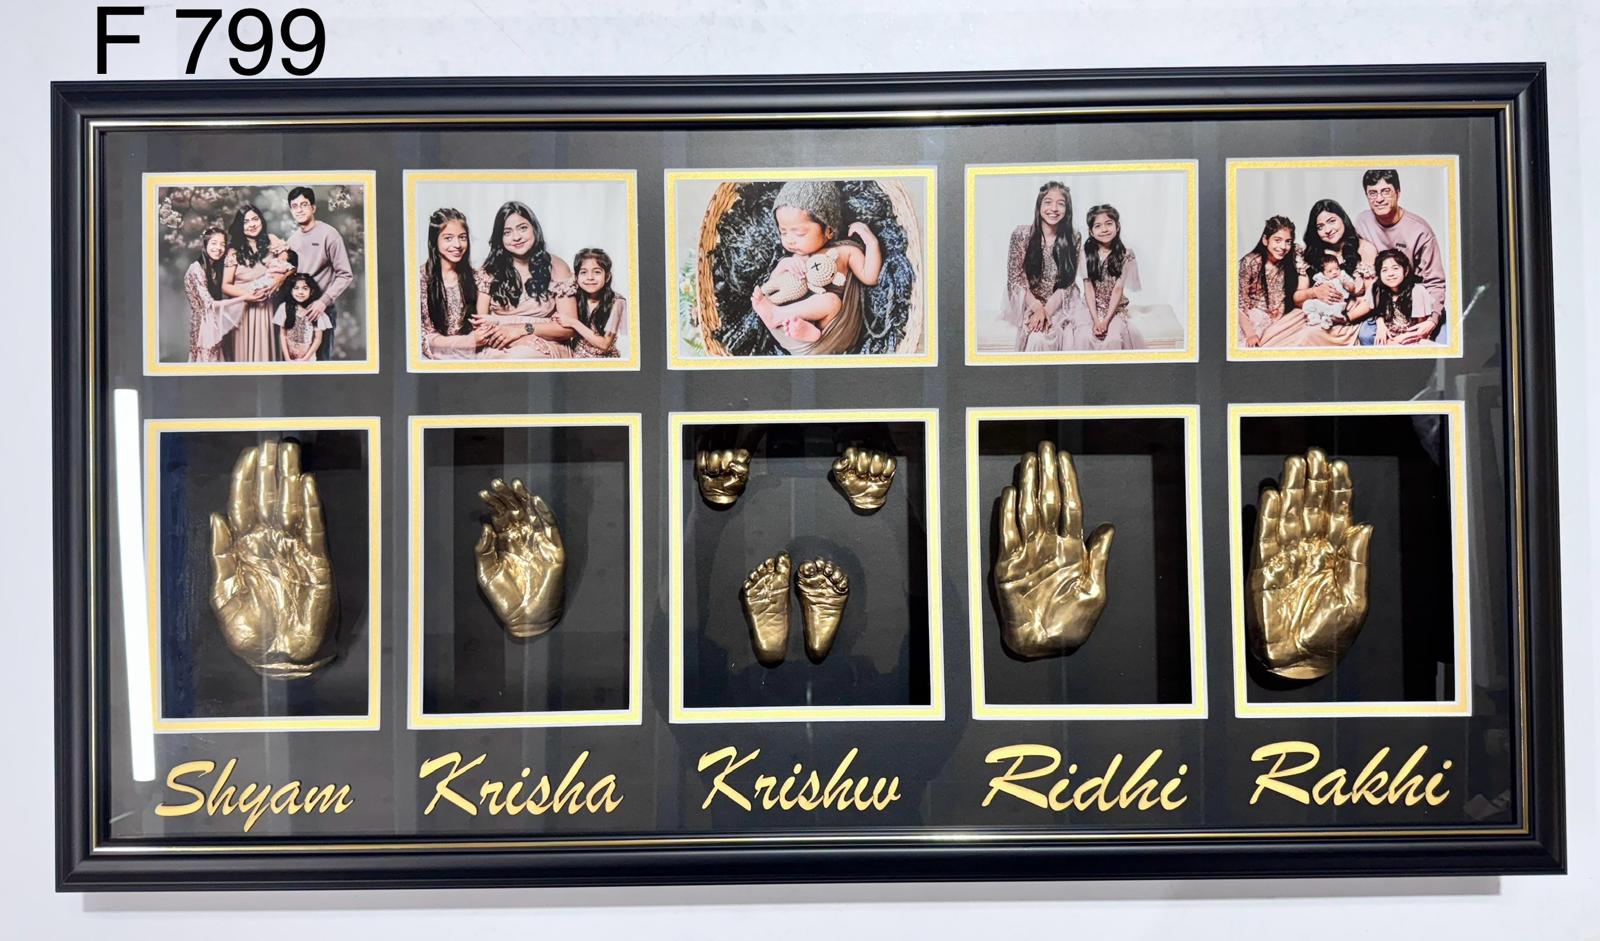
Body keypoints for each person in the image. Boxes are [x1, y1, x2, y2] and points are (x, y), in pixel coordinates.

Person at [747, 179, 881, 355]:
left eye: (799, 233)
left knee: (830, 301)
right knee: (775, 297)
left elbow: (870, 277)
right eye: (783, 232)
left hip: (830, 333)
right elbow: (775, 288)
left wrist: (871, 242)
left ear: (828, 230)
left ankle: (804, 329)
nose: (790, 240)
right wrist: (783, 266)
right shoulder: (796, 257)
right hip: (787, 329)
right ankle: (793, 324)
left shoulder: (845, 252)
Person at [471, 200, 577, 359]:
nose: (516, 237)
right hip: (499, 344)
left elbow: (569, 328)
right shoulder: (489, 271)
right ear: (500, 238)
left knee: (522, 356)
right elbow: (480, 327)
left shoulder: (557, 267)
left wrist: (522, 329)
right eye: (507, 232)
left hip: (545, 343)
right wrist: (517, 339)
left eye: (522, 228)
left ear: (534, 228)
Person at [1002, 181, 1090, 352]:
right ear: (1039, 206)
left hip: (1062, 301)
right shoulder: (1021, 234)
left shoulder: (1074, 237)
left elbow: (1068, 282)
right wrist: (1037, 308)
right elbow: (1015, 279)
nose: (1054, 209)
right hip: (1030, 300)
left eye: (1061, 204)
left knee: (1073, 336)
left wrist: (1047, 311)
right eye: (1048, 202)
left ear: (1067, 209)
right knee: (1038, 340)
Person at [1354, 169, 1448, 327]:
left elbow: (1435, 282)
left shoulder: (1420, 231)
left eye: (1386, 191)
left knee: (1436, 339)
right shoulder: (1362, 222)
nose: (1379, 199)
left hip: (1414, 303)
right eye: (1373, 193)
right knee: (1366, 337)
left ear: (1398, 193)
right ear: (1366, 195)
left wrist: (1432, 320)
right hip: (1381, 304)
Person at [285, 186, 354, 361]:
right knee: (298, 362)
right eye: (294, 206)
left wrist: (323, 301)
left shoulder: (329, 234)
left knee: (322, 362)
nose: (299, 210)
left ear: (313, 207)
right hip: (298, 312)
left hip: (322, 310)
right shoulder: (291, 241)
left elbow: (345, 274)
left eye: (304, 204)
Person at [221, 203, 292, 362]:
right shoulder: (234, 251)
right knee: (245, 356)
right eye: (246, 222)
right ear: (240, 226)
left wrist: (279, 280)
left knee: (267, 352)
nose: (252, 224)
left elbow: (291, 266)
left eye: (255, 219)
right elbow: (225, 285)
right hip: (243, 309)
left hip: (268, 307)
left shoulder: (272, 240)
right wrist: (248, 296)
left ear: (261, 220)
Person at [418, 207, 488, 359]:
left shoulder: (478, 278)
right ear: (434, 241)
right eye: (448, 238)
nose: (457, 244)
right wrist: (467, 342)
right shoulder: (420, 279)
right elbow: (424, 339)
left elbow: (482, 332)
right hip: (435, 357)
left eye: (462, 237)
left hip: (472, 356)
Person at [1072, 203, 1138, 350]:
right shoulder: (1084, 254)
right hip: (1091, 307)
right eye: (1098, 226)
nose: (1104, 229)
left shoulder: (1126, 255)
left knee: (1113, 339)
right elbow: (1088, 288)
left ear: (1117, 226)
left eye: (1109, 224)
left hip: (1115, 309)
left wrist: (1106, 321)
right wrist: (1096, 320)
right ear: (1091, 231)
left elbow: (1118, 289)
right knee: (1084, 337)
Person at [1236, 215, 1309, 348]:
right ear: (1265, 240)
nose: (1283, 246)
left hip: (1280, 321)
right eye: (1277, 240)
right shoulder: (1251, 262)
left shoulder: (1292, 254)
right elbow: (1239, 303)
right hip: (1254, 320)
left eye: (1288, 241)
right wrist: (1250, 334)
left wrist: (1300, 265)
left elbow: (1303, 287)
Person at [181, 226, 247, 362]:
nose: (219, 248)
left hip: (214, 323)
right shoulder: (196, 269)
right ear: (205, 244)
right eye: (214, 243)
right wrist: (244, 298)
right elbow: (209, 304)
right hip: (203, 327)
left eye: (222, 244)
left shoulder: (214, 268)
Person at [557, 247, 626, 358]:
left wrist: (573, 322)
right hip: (575, 357)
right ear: (576, 277)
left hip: (604, 360)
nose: (590, 277)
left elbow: (605, 344)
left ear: (607, 277)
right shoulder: (573, 296)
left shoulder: (617, 302)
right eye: (583, 272)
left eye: (597, 272)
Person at [1371, 248, 1441, 345]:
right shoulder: (1380, 290)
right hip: (1391, 338)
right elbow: (1378, 313)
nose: (1390, 274)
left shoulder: (1417, 291)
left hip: (1413, 338)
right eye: (1384, 270)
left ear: (1406, 270)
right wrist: (1380, 325)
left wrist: (1400, 339)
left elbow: (1421, 330)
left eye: (1395, 268)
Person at [273, 273, 332, 361]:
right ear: (291, 290)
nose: (300, 292)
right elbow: (282, 335)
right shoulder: (284, 308)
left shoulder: (315, 310)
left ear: (311, 291)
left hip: (308, 359)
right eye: (296, 288)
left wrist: (305, 359)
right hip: (289, 359)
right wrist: (287, 358)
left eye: (305, 288)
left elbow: (318, 339)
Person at [1302, 251, 1357, 329]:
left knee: (1336, 311)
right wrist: (1317, 286)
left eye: (1337, 269)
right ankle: (1314, 318)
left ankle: (1328, 320)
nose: (1335, 272)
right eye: (1330, 271)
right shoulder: (1321, 278)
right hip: (1324, 303)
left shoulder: (1342, 276)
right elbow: (1316, 289)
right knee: (1308, 304)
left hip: (1337, 303)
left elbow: (1352, 287)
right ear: (1323, 273)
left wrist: (1345, 283)